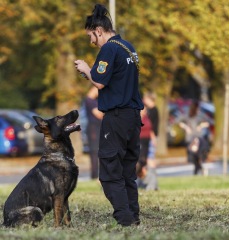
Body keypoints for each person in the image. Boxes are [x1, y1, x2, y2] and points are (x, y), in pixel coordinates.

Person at [74, 4, 144, 226]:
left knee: (109, 173)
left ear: (98, 30)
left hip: (116, 118)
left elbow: (101, 83)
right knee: (127, 172)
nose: (91, 42)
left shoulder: (109, 49)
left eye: (91, 36)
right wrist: (93, 76)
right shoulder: (128, 47)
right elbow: (114, 80)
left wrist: (86, 69)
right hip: (133, 118)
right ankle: (133, 216)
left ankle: (125, 219)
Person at [179, 100, 210, 175]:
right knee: (192, 155)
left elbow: (208, 122)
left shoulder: (200, 115)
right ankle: (199, 168)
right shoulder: (187, 115)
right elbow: (179, 122)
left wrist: (201, 125)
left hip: (198, 137)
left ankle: (198, 170)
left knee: (199, 154)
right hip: (190, 138)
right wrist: (186, 127)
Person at [84, 87, 103, 179]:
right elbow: (98, 114)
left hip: (98, 127)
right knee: (94, 151)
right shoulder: (89, 100)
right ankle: (94, 174)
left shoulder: (94, 101)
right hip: (93, 128)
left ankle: (98, 173)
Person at [142, 92, 159, 190]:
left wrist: (153, 138)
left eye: (145, 99)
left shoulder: (153, 111)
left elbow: (151, 127)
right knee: (148, 159)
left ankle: (152, 183)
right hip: (149, 137)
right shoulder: (150, 110)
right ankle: (152, 183)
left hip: (151, 137)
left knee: (150, 159)